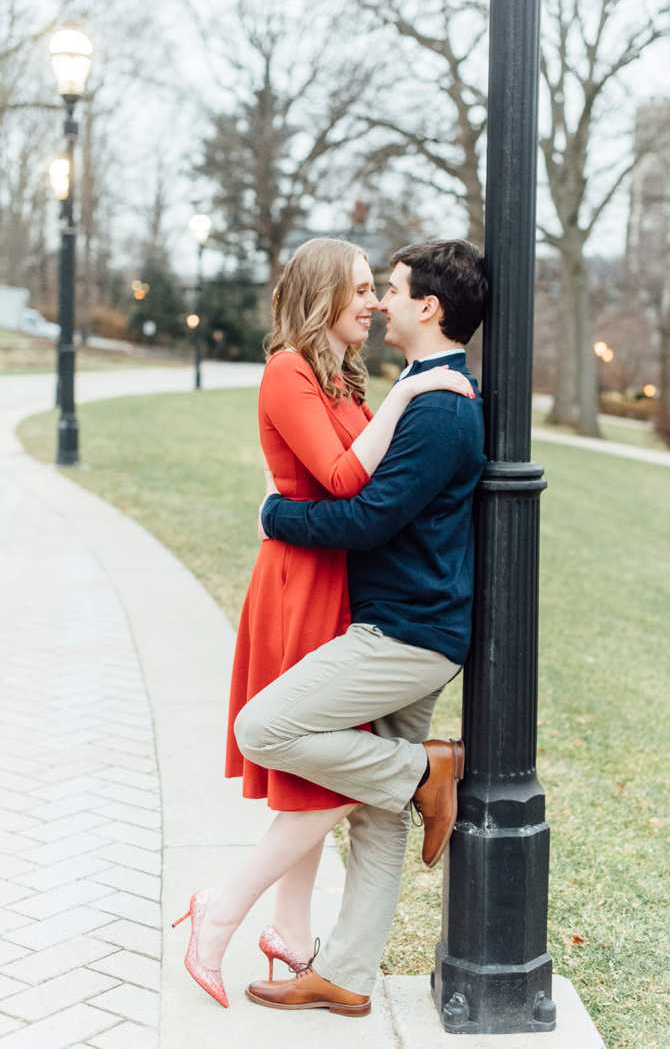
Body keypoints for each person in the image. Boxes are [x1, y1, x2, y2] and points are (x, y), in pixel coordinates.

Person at [174, 239, 487, 1016]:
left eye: (390, 287)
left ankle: (423, 771)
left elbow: (366, 510)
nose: (380, 299)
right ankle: (345, 973)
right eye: (365, 287)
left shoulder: (440, 403)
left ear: (429, 307)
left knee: (267, 728)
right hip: (383, 614)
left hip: (405, 627)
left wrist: (272, 512)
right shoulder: (402, 386)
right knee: (374, 818)